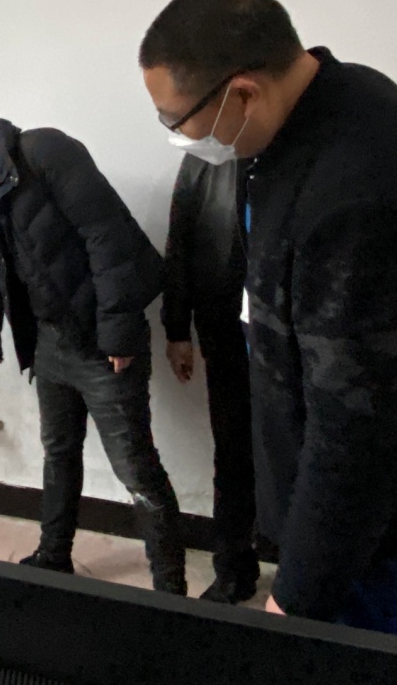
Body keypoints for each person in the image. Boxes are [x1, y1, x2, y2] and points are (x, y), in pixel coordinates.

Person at [138, 0, 397, 636]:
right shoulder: (327, 102)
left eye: (176, 121)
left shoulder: (356, 193)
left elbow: (357, 436)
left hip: (374, 509)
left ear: (242, 93)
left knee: (354, 646)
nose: (179, 138)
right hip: (337, 462)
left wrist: (297, 597)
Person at [0, 106, 186, 595]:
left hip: (101, 345)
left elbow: (107, 236)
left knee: (136, 469)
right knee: (59, 453)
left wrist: (118, 332)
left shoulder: (47, 152)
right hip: (49, 341)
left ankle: (171, 590)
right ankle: (53, 556)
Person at [162, 156, 259, 605]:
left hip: (296, 341)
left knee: (298, 455)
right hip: (227, 333)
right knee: (233, 454)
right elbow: (180, 242)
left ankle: (304, 577)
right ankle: (234, 569)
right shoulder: (204, 156)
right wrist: (177, 330)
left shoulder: (302, 148)